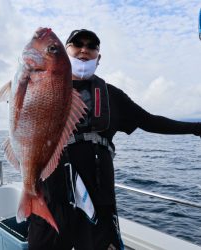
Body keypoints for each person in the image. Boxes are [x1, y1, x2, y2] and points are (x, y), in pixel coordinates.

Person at [28, 29, 201, 250]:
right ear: (66, 52)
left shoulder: (112, 96)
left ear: (98, 58)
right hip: (51, 199)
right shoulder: (42, 88)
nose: (84, 50)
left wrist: (197, 128)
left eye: (91, 47)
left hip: (99, 202)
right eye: (77, 44)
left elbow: (150, 121)